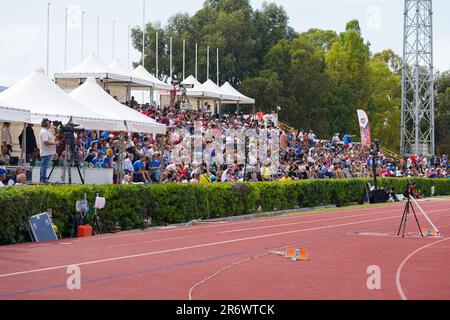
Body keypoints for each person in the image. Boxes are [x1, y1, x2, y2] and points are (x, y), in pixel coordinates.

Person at [39, 119, 59, 183]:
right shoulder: (44, 132)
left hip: (47, 152)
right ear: (46, 124)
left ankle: (43, 178)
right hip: (45, 152)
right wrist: (55, 143)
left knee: (44, 165)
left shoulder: (46, 131)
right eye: (49, 123)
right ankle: (43, 179)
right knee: (44, 166)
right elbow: (45, 141)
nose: (50, 125)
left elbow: (50, 139)